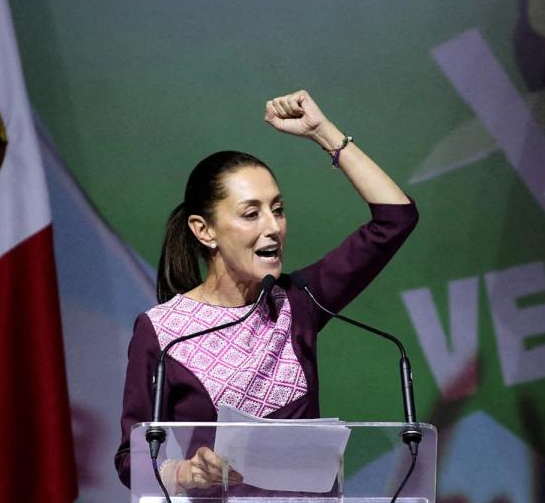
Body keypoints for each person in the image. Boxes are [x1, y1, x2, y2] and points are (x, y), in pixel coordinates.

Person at [114, 90, 418, 494]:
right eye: (251, 213)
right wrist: (187, 472)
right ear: (204, 231)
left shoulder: (298, 302)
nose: (273, 227)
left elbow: (396, 218)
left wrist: (323, 133)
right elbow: (130, 459)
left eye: (277, 209)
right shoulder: (164, 333)